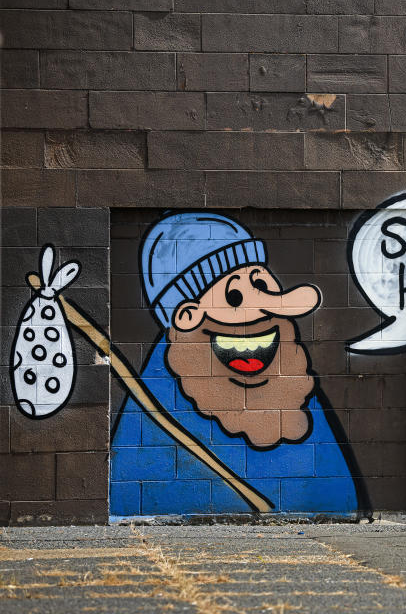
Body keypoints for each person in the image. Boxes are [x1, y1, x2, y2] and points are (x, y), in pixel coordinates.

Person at [111, 212, 364, 517]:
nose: (263, 308)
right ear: (188, 316)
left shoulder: (290, 383)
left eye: (261, 282)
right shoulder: (156, 406)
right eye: (234, 295)